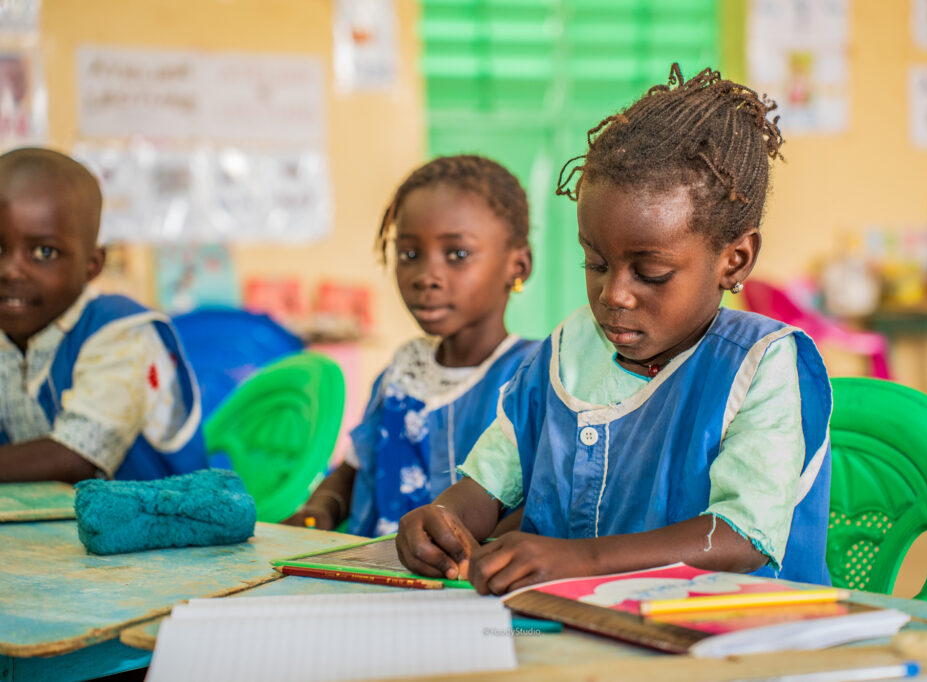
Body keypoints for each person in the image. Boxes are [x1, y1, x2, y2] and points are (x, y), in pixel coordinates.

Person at [395, 65, 833, 594]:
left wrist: (579, 559)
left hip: (737, 644)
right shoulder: (564, 354)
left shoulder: (759, 366)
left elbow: (741, 536)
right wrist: (442, 519)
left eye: (651, 273)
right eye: (596, 263)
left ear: (735, 260)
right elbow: (488, 483)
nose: (615, 295)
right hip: (582, 634)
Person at [284, 155, 536, 537]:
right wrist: (318, 511)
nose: (426, 276)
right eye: (410, 254)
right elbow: (354, 471)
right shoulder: (402, 372)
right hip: (370, 579)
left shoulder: (531, 377)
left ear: (517, 266)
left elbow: (539, 503)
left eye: (457, 255)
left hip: (465, 587)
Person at [0, 147, 205, 483]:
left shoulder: (123, 332)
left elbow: (75, 456)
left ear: (91, 265)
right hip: (59, 526)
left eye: (44, 252)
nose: (11, 272)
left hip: (167, 527)